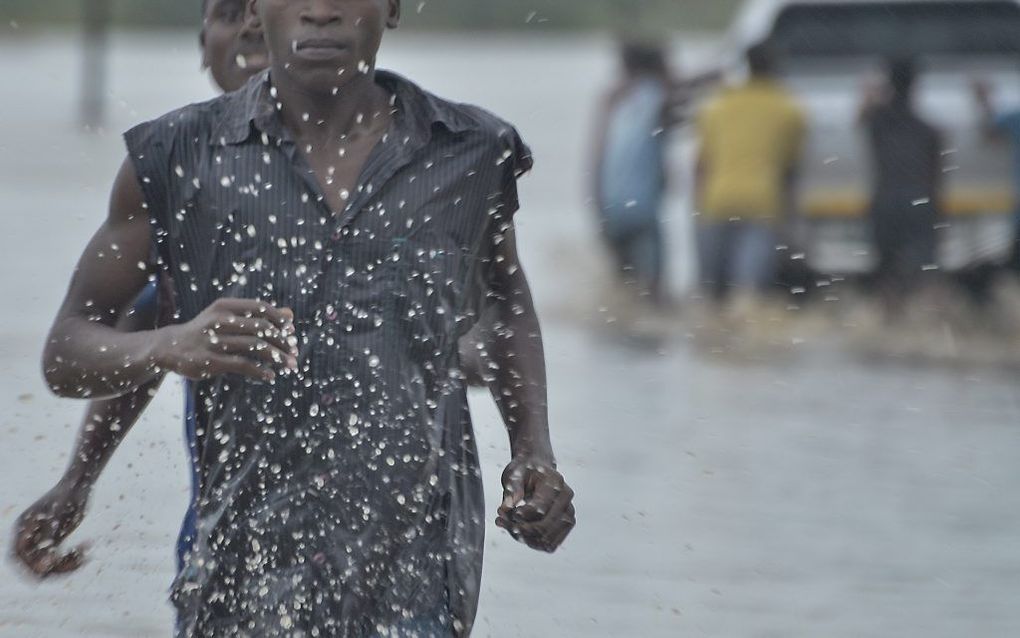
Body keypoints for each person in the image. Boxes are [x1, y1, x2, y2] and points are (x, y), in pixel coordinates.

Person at [39, 1, 575, 636]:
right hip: (240, 572)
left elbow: (507, 304)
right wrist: (170, 345)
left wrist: (533, 451)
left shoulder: (468, 153)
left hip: (418, 572)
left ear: (393, 8)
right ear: (260, 9)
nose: (321, 11)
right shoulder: (175, 155)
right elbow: (67, 353)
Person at [13, 0, 270, 580]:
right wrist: (77, 482)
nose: (254, 22)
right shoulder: (171, 168)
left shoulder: (394, 160)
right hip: (226, 531)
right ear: (203, 46)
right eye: (231, 12)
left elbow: (489, 318)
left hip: (400, 530)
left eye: (270, 6)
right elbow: (145, 331)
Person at [694, 42, 805, 307]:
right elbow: (790, 170)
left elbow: (701, 166)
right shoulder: (789, 109)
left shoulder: (718, 104)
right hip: (762, 204)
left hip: (716, 201)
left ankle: (707, 345)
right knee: (748, 294)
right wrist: (791, 216)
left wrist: (698, 210)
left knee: (712, 293)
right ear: (776, 67)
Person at [591, 41, 673, 305]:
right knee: (654, 294)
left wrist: (597, 208)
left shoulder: (613, 101)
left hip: (609, 208)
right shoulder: (658, 96)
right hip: (642, 209)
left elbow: (596, 157)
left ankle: (618, 341)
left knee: (622, 291)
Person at [859, 58, 942, 312]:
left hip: (886, 201)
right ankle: (925, 320)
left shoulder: (878, 123)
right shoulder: (928, 131)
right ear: (916, 86)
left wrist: (870, 93)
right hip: (919, 201)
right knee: (923, 268)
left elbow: (862, 116)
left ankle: (890, 318)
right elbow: (937, 178)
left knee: (886, 271)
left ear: (889, 85)